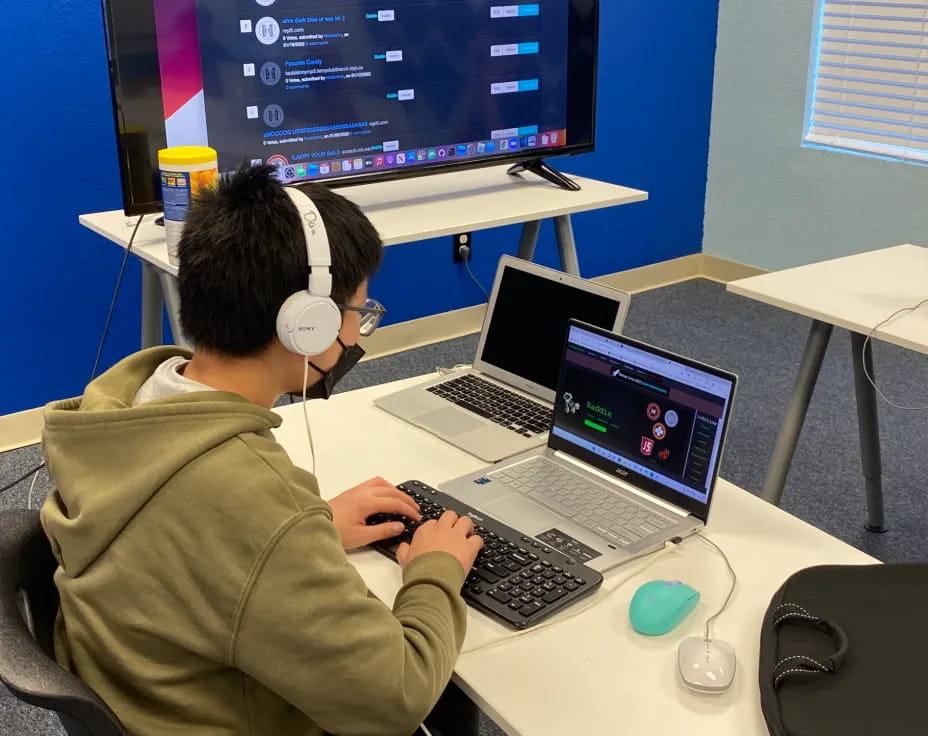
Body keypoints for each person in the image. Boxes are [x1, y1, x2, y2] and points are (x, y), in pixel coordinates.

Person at [40, 165, 483, 736]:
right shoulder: (252, 500)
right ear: (306, 321)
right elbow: (396, 698)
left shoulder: (120, 409)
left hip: (152, 695)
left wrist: (314, 525)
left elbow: (200, 543)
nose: (356, 335)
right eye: (357, 314)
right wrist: (434, 570)